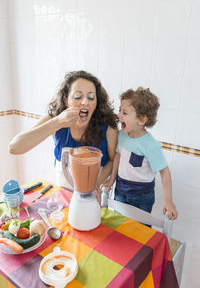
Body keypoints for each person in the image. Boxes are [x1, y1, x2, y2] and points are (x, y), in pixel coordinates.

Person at [9, 70, 118, 195]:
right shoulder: (55, 121)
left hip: (94, 196)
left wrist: (96, 184)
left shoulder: (109, 128)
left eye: (91, 97)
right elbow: (14, 147)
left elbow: (112, 160)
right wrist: (58, 122)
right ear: (66, 100)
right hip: (63, 196)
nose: (85, 102)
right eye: (78, 96)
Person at [102, 87, 178, 220]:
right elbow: (118, 158)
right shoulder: (122, 135)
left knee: (140, 229)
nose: (119, 116)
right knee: (119, 223)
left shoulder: (150, 145)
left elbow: (165, 172)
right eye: (120, 110)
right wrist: (111, 180)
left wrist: (168, 200)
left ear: (142, 120)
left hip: (142, 196)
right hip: (120, 189)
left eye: (124, 113)